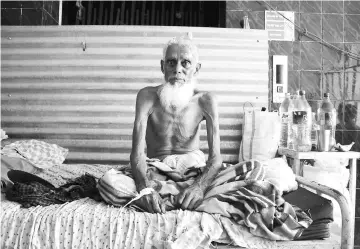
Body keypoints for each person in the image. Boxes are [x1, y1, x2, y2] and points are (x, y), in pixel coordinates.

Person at [129, 35, 223, 214]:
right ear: (162, 66)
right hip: (155, 170)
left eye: (185, 63)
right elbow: (137, 154)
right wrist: (145, 188)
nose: (177, 69)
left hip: (192, 171)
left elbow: (216, 159)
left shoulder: (206, 100)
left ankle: (177, 194)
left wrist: (199, 187)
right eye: (171, 63)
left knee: (244, 181)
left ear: (196, 68)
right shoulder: (146, 97)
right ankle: (166, 194)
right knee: (109, 182)